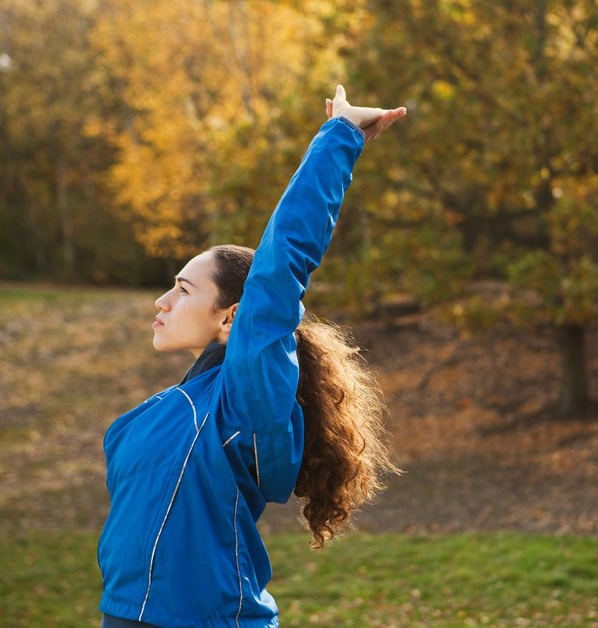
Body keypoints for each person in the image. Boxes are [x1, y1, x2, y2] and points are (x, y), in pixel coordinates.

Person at [98, 86, 406, 628]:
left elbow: (281, 260)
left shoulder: (250, 397)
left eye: (183, 288)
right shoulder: (158, 412)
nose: (162, 300)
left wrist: (340, 139)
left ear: (231, 316)